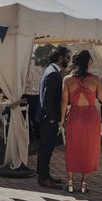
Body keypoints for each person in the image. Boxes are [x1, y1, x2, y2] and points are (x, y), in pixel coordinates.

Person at [61, 50, 102, 194]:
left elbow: (64, 102)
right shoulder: (96, 79)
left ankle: (70, 182)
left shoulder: (67, 79)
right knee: (90, 149)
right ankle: (84, 184)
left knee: (72, 148)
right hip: (91, 117)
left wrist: (62, 120)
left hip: (74, 116)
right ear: (88, 63)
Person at [36, 46, 70, 190]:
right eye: (67, 57)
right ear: (61, 58)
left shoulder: (51, 70)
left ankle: (46, 175)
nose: (69, 60)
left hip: (47, 117)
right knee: (45, 148)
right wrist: (51, 117)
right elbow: (47, 98)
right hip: (47, 118)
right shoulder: (53, 74)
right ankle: (43, 178)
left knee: (48, 148)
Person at [23, 56, 43, 141]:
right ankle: (38, 135)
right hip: (38, 94)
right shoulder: (40, 68)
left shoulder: (25, 68)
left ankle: (30, 136)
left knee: (27, 117)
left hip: (28, 95)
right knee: (36, 117)